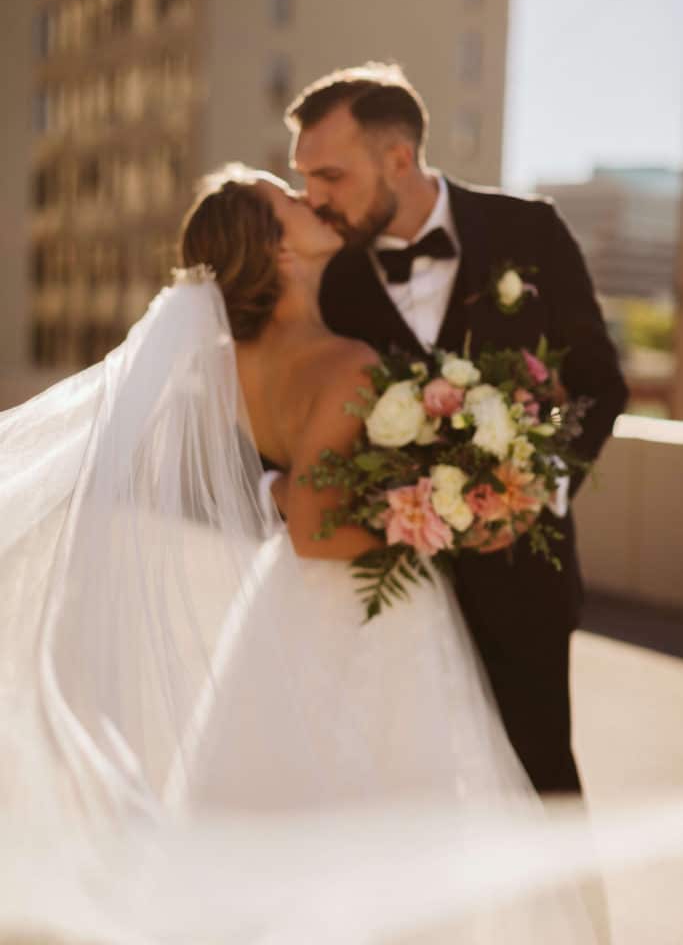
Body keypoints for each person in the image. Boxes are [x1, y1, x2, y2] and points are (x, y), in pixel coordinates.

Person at [0, 162, 599, 943]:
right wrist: (434, 521)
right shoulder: (342, 360)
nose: (309, 200)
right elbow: (317, 530)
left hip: (279, 609)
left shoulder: (232, 360)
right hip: (360, 612)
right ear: (279, 252)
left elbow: (288, 490)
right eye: (288, 203)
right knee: (382, 826)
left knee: (279, 809)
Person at [285, 62, 629, 798]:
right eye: (304, 177)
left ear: (398, 158)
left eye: (330, 175)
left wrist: (540, 484)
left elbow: (601, 384)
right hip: (383, 598)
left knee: (542, 793)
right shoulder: (327, 275)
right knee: (405, 806)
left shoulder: (527, 230)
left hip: (523, 590)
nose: (312, 198)